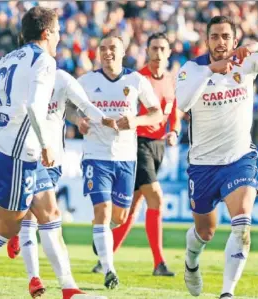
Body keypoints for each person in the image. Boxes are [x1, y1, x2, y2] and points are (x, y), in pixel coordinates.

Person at [0, 7, 105, 299]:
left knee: (50, 214)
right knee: (9, 226)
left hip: (14, 152)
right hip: (17, 156)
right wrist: (47, 145)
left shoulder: (4, 60)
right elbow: (35, 106)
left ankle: (69, 288)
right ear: (47, 33)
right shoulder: (44, 61)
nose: (60, 36)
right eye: (58, 30)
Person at [175, 16, 258, 299]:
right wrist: (210, 71)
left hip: (239, 158)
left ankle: (227, 293)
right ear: (207, 40)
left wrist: (257, 46)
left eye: (226, 36)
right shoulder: (192, 69)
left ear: (234, 40)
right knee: (205, 232)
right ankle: (191, 263)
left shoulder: (248, 62)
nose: (220, 42)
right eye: (215, 36)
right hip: (203, 164)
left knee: (242, 224)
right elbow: (182, 103)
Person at [76, 34, 163, 289]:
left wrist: (136, 121)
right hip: (96, 155)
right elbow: (69, 106)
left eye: (112, 48)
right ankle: (109, 269)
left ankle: (100, 235)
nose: (106, 52)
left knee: (120, 217)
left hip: (126, 157)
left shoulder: (136, 80)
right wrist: (77, 120)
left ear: (123, 52)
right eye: (102, 48)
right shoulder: (87, 81)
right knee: (101, 211)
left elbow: (156, 113)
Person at [90, 32, 180, 277]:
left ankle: (106, 252)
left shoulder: (171, 80)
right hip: (137, 144)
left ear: (169, 52)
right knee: (156, 199)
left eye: (163, 48)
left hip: (158, 145)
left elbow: (173, 110)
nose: (158, 53)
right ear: (147, 51)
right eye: (154, 48)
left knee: (131, 208)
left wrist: (175, 131)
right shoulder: (137, 78)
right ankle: (159, 262)